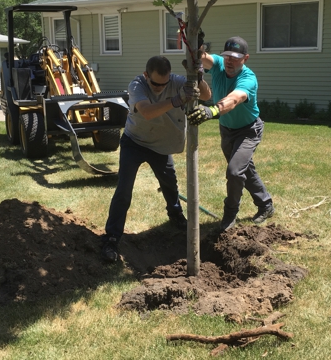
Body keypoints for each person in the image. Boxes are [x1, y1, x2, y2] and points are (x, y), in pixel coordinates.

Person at [102, 55, 212, 262]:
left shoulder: (176, 81)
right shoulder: (137, 85)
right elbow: (147, 112)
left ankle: (175, 215)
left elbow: (206, 96)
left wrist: (198, 78)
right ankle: (112, 237)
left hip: (160, 146)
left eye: (165, 83)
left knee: (169, 182)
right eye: (155, 83)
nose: (160, 87)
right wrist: (177, 100)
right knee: (124, 190)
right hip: (134, 142)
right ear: (146, 75)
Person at [187, 36, 274, 231]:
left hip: (248, 130)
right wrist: (194, 42)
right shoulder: (219, 64)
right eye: (227, 56)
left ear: (245, 58)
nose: (230, 61)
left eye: (235, 57)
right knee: (244, 170)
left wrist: (212, 111)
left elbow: (234, 99)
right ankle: (266, 204)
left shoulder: (248, 79)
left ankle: (230, 213)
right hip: (226, 130)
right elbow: (202, 57)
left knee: (235, 171)